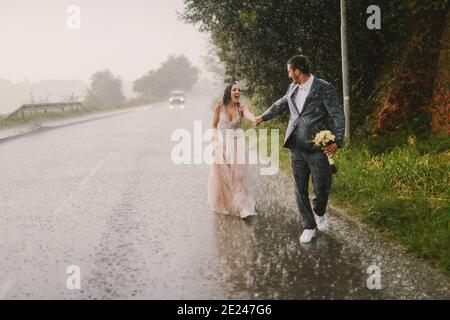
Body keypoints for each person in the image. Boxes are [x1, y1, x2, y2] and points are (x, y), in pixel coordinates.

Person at [255, 55, 345, 243]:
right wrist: (262, 117)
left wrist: (337, 140)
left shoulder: (323, 87)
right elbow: (281, 103)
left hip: (317, 147)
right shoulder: (293, 87)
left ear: (298, 71)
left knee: (322, 187)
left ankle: (319, 211)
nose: (289, 75)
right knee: (299, 188)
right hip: (295, 146)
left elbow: (337, 113)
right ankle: (308, 225)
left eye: (290, 71)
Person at [208, 82, 258, 219]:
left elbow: (248, 114)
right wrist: (214, 142)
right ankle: (228, 203)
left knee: (238, 176)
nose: (237, 92)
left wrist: (255, 119)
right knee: (223, 178)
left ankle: (243, 207)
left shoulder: (241, 108)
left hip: (237, 145)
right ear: (228, 92)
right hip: (222, 145)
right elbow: (214, 125)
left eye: (239, 90)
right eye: (234, 89)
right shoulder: (220, 106)